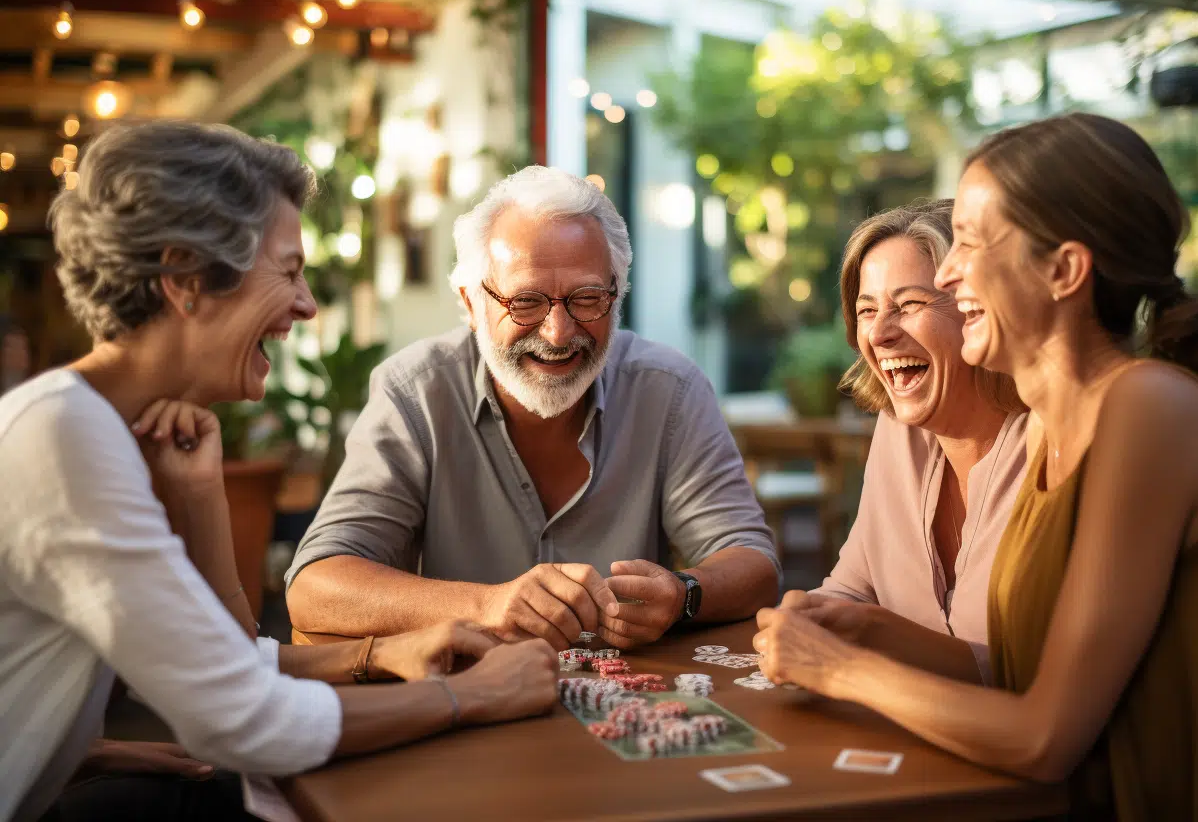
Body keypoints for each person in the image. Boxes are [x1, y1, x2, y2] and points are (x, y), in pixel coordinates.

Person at [0, 122, 557, 822]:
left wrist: (201, 498)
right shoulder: (64, 439)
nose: (306, 305)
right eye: (289, 271)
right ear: (186, 280)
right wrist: (472, 697)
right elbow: (242, 720)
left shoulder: (91, 427)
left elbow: (219, 664)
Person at [754, 113, 1198, 819]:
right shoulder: (1057, 424)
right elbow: (1022, 673)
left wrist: (843, 668)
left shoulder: (1148, 407)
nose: (948, 270)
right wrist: (871, 629)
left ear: (1064, 270)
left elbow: (1044, 735)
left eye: (973, 242)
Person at [286, 166, 780, 651]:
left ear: (617, 296)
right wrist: (486, 606)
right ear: (470, 303)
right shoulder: (413, 392)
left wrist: (684, 594)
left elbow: (753, 564)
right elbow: (314, 587)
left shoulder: (670, 391)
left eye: (587, 298)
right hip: (458, 704)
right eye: (525, 302)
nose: (558, 332)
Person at [781, 201, 1026, 684]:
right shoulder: (898, 432)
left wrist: (868, 638)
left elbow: (1047, 680)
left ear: (979, 309)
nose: (879, 334)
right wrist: (804, 618)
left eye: (910, 305)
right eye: (866, 310)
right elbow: (852, 590)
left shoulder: (1052, 441)